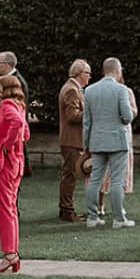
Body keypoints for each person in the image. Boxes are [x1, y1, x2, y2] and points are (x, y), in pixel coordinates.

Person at [83, 57, 136, 229]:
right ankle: (119, 219)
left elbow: (87, 122)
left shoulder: (89, 90)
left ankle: (92, 217)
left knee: (94, 179)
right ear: (117, 70)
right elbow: (127, 117)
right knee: (117, 180)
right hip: (118, 141)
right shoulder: (121, 90)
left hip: (96, 140)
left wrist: (86, 143)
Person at [0, 73, 29, 273]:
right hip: (16, 163)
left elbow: (18, 126)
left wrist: (6, 144)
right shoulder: (20, 105)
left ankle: (10, 254)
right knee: (10, 208)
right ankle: (12, 252)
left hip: (5, 163)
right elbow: (25, 132)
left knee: (4, 209)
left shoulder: (7, 106)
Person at [57, 59, 90, 223]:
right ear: (79, 73)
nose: (89, 76)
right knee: (70, 175)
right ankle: (67, 211)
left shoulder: (72, 88)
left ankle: (66, 208)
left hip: (70, 139)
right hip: (72, 139)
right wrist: (90, 114)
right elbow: (72, 116)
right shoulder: (72, 90)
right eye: (87, 73)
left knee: (69, 174)